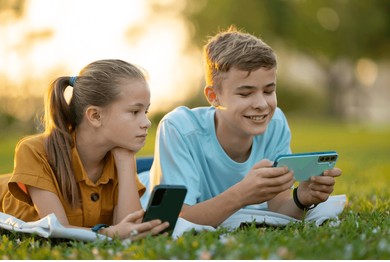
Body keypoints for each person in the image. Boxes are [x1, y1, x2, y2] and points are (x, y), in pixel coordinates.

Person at [149, 26, 342, 228]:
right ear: (213, 96)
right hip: (155, 178)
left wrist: (301, 199)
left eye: (268, 91)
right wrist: (242, 194)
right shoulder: (179, 128)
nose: (261, 104)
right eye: (245, 94)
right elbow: (171, 221)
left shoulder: (275, 123)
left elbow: (279, 208)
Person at [0, 59, 169, 240]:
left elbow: (131, 230)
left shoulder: (119, 155)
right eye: (135, 112)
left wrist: (126, 160)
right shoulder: (35, 151)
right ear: (95, 116)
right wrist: (108, 233)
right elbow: (58, 231)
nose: (146, 123)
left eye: (146, 112)